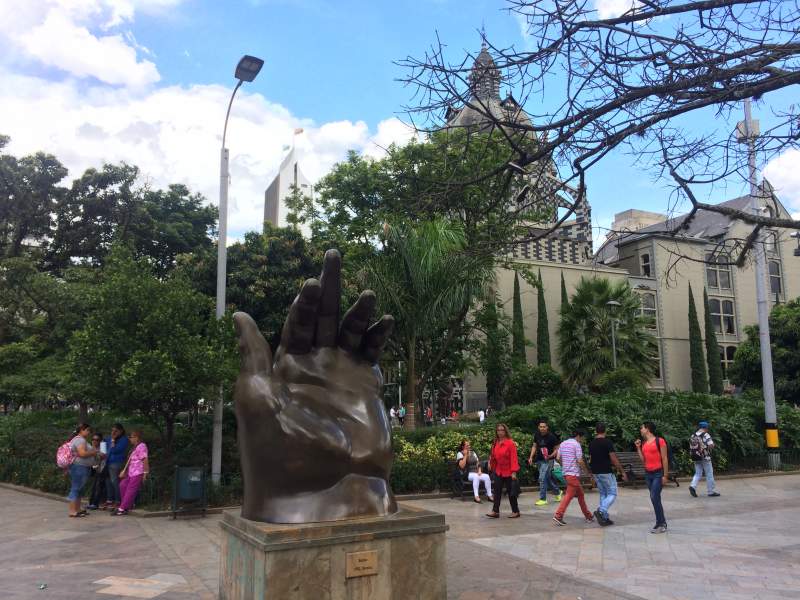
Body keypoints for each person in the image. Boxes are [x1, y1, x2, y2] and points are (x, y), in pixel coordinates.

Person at [589, 423, 628, 526]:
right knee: (612, 493)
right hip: (606, 471)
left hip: (595, 471)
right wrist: (622, 472)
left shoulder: (592, 443)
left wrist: (591, 474)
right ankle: (601, 511)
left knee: (603, 494)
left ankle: (605, 518)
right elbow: (613, 459)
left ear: (596, 431)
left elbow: (591, 459)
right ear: (605, 431)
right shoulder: (607, 442)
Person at [552, 430, 594, 526]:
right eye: (583, 438)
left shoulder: (563, 444)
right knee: (569, 496)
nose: (583, 440)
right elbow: (580, 461)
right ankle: (558, 515)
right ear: (579, 436)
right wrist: (587, 473)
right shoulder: (576, 445)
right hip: (573, 475)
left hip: (567, 474)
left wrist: (565, 466)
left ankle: (588, 516)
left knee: (580, 495)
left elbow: (558, 458)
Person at [635, 421, 669, 534]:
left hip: (658, 473)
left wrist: (665, 475)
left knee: (654, 497)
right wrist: (639, 448)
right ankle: (660, 522)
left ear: (647, 429)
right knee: (655, 498)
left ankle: (661, 523)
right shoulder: (644, 443)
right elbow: (643, 460)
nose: (641, 430)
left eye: (642, 428)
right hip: (648, 474)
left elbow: (664, 458)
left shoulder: (660, 441)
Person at [67, 423, 103, 518]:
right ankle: (72, 510)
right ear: (81, 430)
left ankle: (77, 509)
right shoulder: (80, 440)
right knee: (76, 488)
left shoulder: (79, 440)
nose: (88, 432)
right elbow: (82, 453)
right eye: (87, 430)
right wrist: (94, 452)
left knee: (79, 489)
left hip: (81, 467)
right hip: (79, 467)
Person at [486, 423, 520, 518]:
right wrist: (490, 463)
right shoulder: (495, 442)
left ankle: (515, 511)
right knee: (497, 491)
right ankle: (495, 511)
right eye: (498, 430)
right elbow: (493, 455)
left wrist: (514, 472)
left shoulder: (510, 443)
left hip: (509, 471)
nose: (500, 432)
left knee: (511, 492)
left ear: (505, 431)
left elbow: (514, 458)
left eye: (502, 430)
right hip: (498, 470)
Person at [113, 430, 149, 516]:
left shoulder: (142, 446)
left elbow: (145, 459)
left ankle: (122, 508)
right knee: (122, 485)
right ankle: (127, 505)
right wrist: (125, 471)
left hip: (138, 472)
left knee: (130, 489)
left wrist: (145, 472)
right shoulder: (134, 447)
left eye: (131, 437)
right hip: (131, 472)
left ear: (137, 437)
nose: (130, 439)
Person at [528, 420, 562, 506]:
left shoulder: (552, 437)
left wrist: (551, 455)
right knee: (547, 478)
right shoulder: (537, 435)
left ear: (547, 427)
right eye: (541, 427)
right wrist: (531, 457)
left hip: (549, 460)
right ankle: (558, 492)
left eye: (544, 427)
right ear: (538, 427)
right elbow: (534, 446)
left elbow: (557, 449)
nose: (542, 428)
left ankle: (543, 499)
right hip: (539, 460)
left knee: (542, 478)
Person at [689, 420, 719, 498]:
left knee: (698, 473)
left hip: (695, 457)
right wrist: (711, 446)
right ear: (705, 428)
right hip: (705, 457)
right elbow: (711, 445)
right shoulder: (706, 435)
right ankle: (711, 491)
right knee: (709, 473)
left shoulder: (693, 435)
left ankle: (692, 486)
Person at [104, 423, 128, 510]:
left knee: (115, 481)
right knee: (108, 481)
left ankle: (118, 500)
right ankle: (110, 499)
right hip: (107, 462)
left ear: (121, 431)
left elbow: (115, 450)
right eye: (112, 430)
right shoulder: (109, 438)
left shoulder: (124, 440)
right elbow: (104, 448)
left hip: (116, 462)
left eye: (116, 431)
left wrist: (113, 440)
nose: (113, 432)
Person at [87, 432, 108, 510]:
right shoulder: (91, 447)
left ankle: (95, 504)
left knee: (98, 486)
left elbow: (102, 456)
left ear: (100, 441)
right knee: (94, 486)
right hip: (94, 469)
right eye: (93, 439)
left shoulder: (102, 447)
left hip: (101, 468)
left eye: (97, 440)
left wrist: (94, 451)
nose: (94, 441)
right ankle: (91, 502)